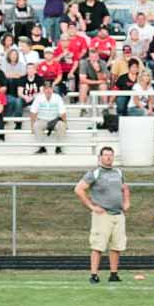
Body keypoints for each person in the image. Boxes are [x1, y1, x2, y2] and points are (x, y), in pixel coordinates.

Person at [75, 147, 130, 284]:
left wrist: (126, 202)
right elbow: (79, 189)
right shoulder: (95, 173)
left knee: (116, 246)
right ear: (100, 157)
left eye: (111, 155)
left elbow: (125, 188)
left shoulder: (118, 172)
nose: (108, 158)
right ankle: (94, 274)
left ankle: (114, 274)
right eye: (105, 155)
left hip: (118, 214)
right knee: (98, 245)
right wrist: (91, 206)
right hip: (103, 214)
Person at [30, 81, 67, 155]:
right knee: (36, 126)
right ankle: (42, 148)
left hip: (54, 120)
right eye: (46, 88)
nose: (48, 90)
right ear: (43, 90)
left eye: (50, 88)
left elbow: (63, 112)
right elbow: (33, 112)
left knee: (62, 125)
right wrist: (32, 126)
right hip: (42, 119)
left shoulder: (57, 98)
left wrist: (65, 124)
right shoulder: (39, 98)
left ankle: (58, 148)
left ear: (52, 89)